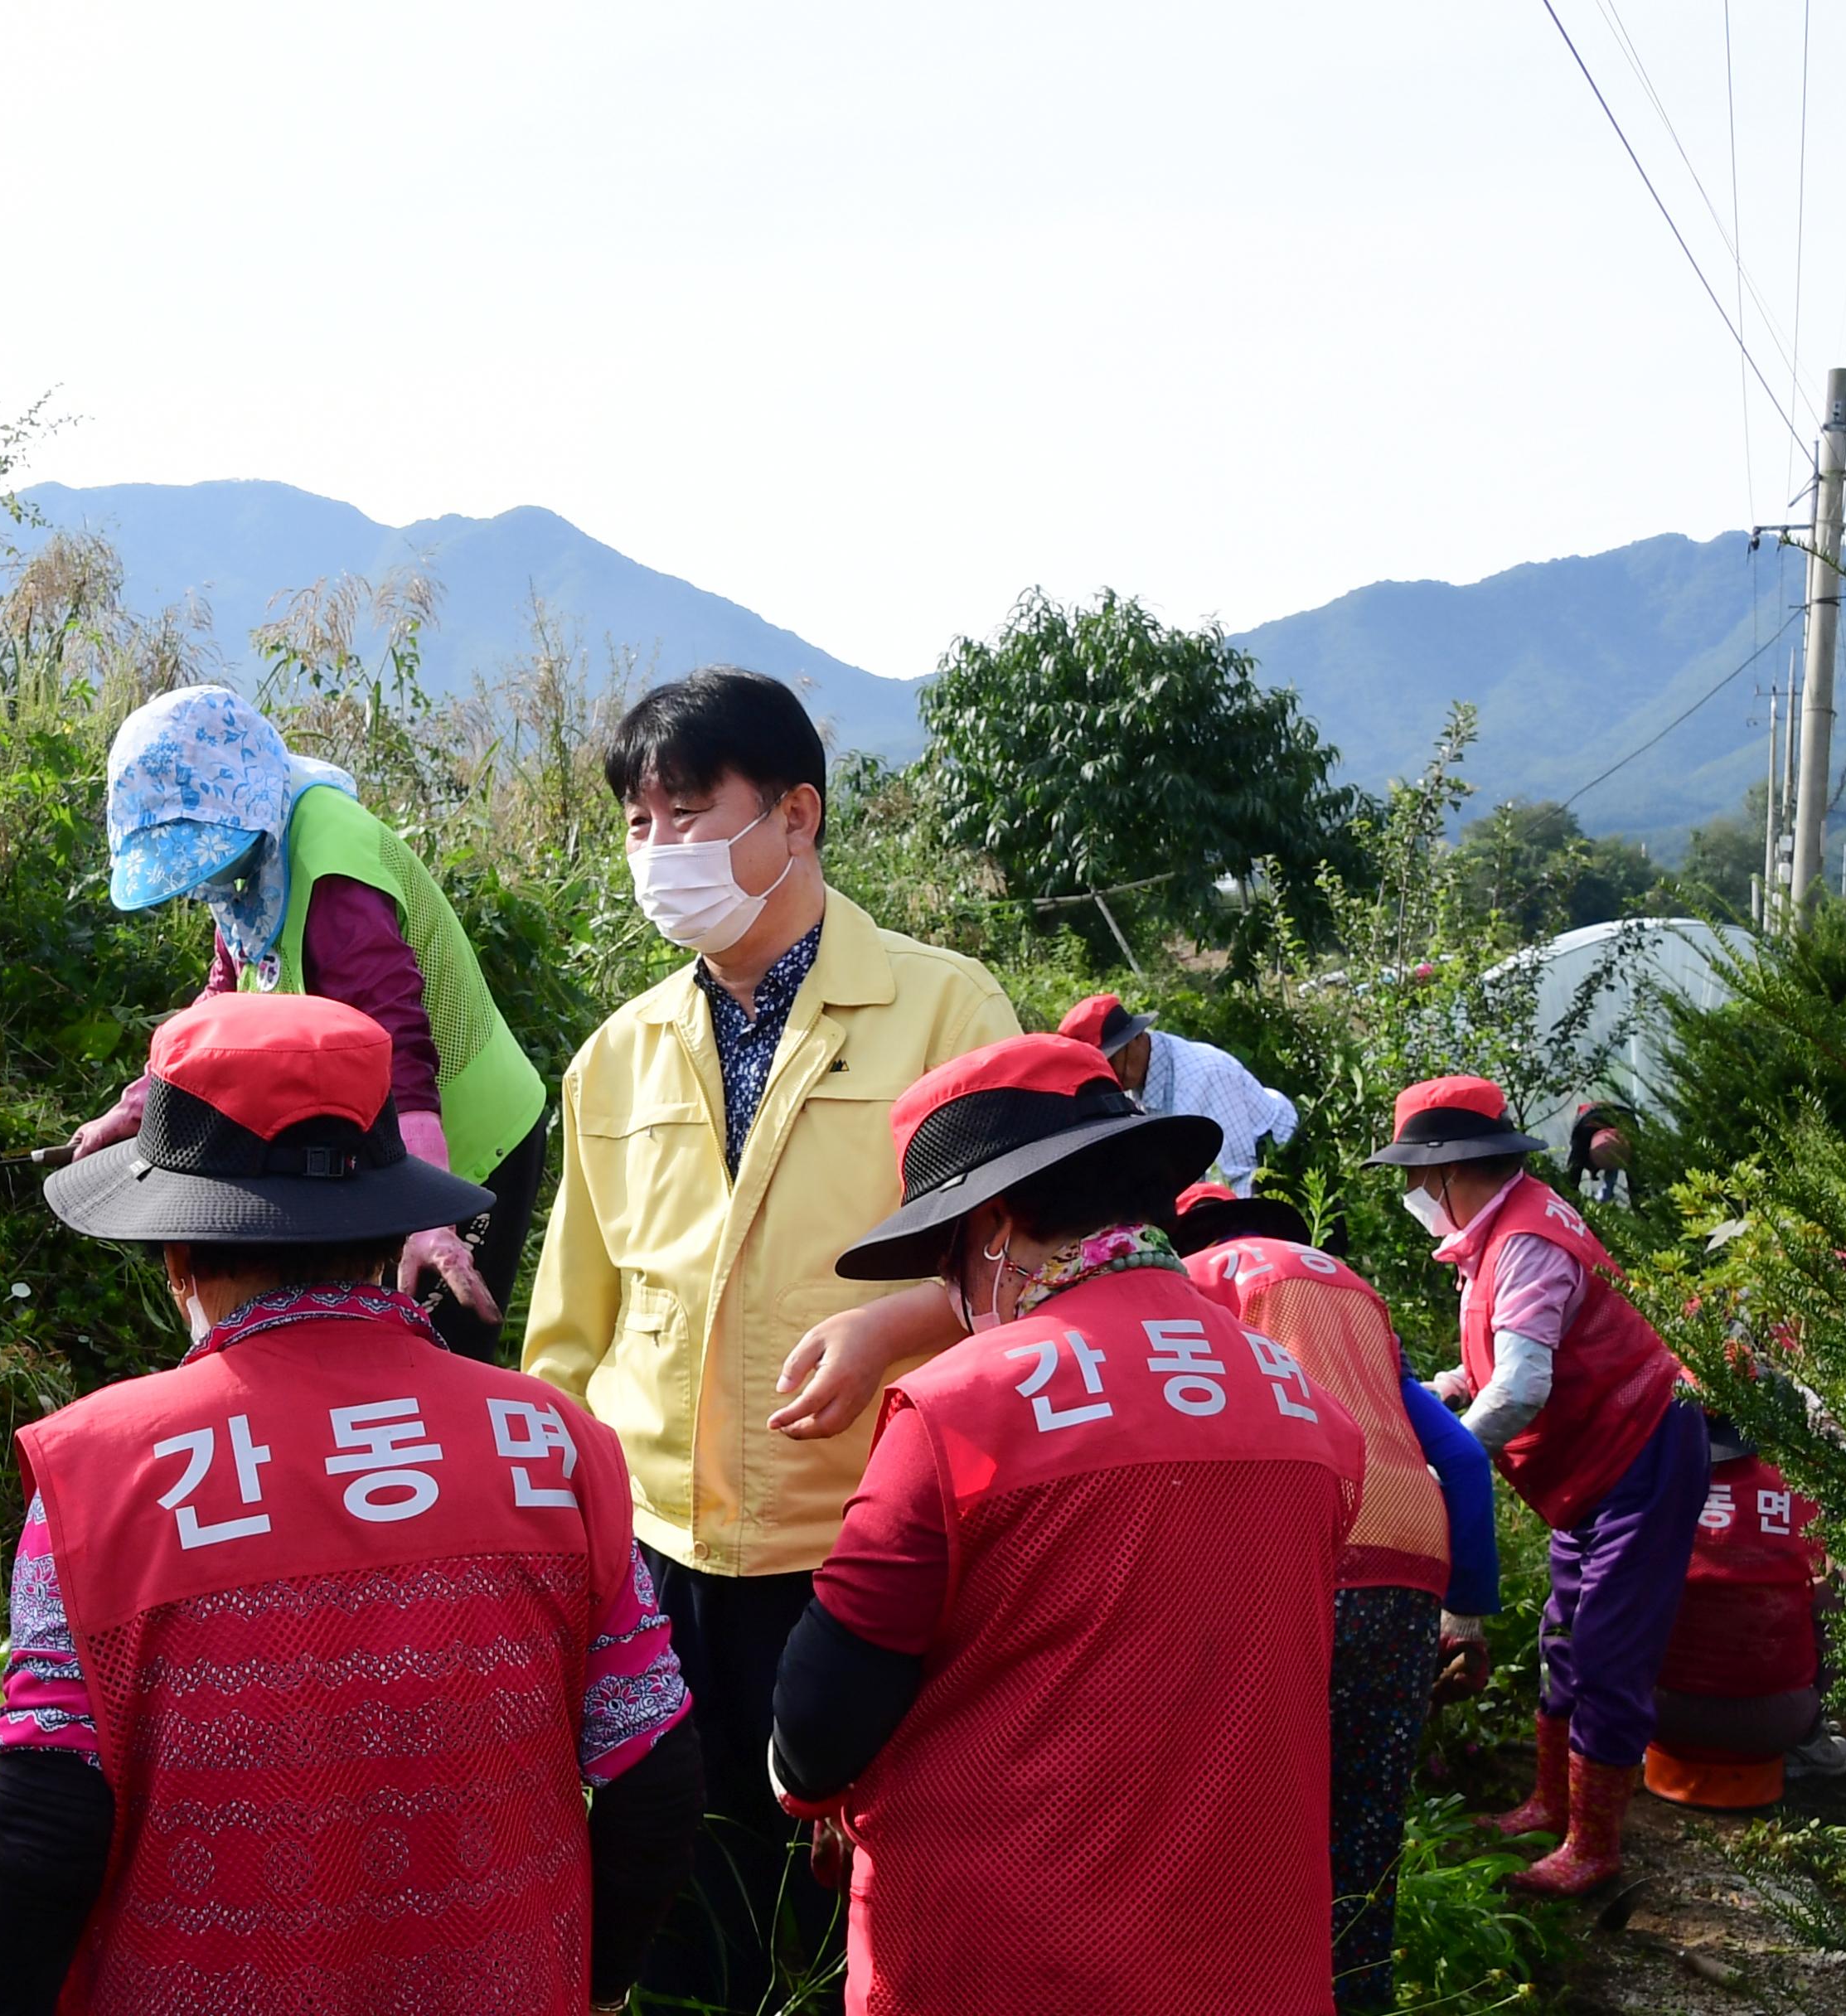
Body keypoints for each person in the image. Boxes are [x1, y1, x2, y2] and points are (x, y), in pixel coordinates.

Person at [0, 993, 703, 2014]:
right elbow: (654, 1771)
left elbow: (47, 1817)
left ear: (178, 1255)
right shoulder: (558, 1446)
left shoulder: (104, 1474)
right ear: (386, 1228)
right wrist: (594, 1978)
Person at [522, 666, 1019, 2009]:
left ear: (795, 814)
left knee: (865, 1883)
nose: (657, 852)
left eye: (689, 813)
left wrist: (891, 1325)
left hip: (865, 1545)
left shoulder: (943, 1011)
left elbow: (1030, 1265)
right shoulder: (615, 1054)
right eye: (636, 822)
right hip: (661, 1549)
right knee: (688, 1898)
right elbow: (573, 1326)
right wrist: (549, 1532)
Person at [768, 1035, 1364, 2015]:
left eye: (948, 1253)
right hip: (1254, 1956)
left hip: (1006, 1957)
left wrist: (808, 1782)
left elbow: (817, 1730)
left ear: (994, 1225)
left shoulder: (957, 1410)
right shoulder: (1307, 1406)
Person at [72, 684, 550, 1362]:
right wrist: (151, 1100)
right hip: (369, 1138)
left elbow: (400, 1046)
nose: (198, 885)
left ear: (237, 810)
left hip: (461, 1141)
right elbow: (233, 991)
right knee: (342, 1362)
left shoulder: (332, 870)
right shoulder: (249, 852)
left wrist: (428, 1212)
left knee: (425, 1365)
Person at [1372, 1074, 1710, 1897]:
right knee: (1565, 1635)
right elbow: (1504, 1360)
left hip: (1639, 1451)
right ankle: (1550, 1803)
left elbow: (1522, 1385)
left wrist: (1438, 1461)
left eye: (1417, 1177)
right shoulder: (1503, 1228)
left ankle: (1594, 1845)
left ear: (1451, 1169)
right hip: (1592, 1468)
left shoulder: (1525, 1241)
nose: (1414, 1193)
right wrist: (1445, 1386)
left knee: (1604, 1650)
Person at [1172, 1181, 1500, 2011]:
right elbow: (1460, 1457)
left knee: (1242, 1823)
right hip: (1407, 1564)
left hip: (1297, 1559)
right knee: (1364, 1829)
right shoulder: (1353, 1294)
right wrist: (1466, 1609)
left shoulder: (1189, 1284)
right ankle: (1357, 1994)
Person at [1645, 1418, 1834, 1809]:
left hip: (1655, 1710)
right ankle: (1811, 1740)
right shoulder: (1794, 1490)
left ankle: (1603, 1738)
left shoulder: (1646, 1483)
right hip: (1778, 1722)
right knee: (1831, 1590)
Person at [1058, 990, 1297, 1193]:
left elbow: (1238, 1180)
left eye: (1109, 1061)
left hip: (1285, 1168)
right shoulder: (1130, 1079)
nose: (1105, 1073)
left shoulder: (1203, 1077)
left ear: (1136, 1038)